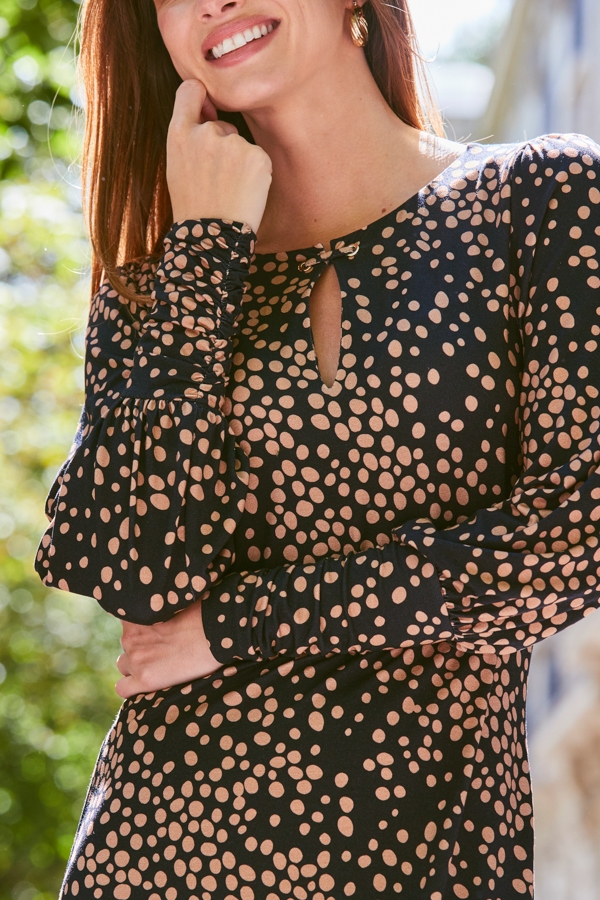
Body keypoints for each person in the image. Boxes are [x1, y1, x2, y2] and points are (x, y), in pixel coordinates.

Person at [34, 0, 600, 897]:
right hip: (160, 852)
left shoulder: (538, 202)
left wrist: (236, 625)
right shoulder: (163, 285)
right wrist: (205, 249)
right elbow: (139, 578)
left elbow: (574, 542)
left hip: (424, 855)